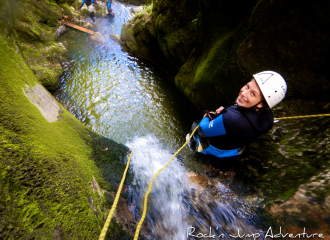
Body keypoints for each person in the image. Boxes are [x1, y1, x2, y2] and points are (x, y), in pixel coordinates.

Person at [186, 70, 287, 159]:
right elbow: (236, 116)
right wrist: (224, 112)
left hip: (217, 150)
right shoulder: (267, 116)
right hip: (234, 150)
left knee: (196, 124)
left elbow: (203, 130)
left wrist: (207, 116)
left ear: (261, 104)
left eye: (253, 94)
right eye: (247, 86)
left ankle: (194, 146)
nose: (244, 93)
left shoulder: (231, 118)